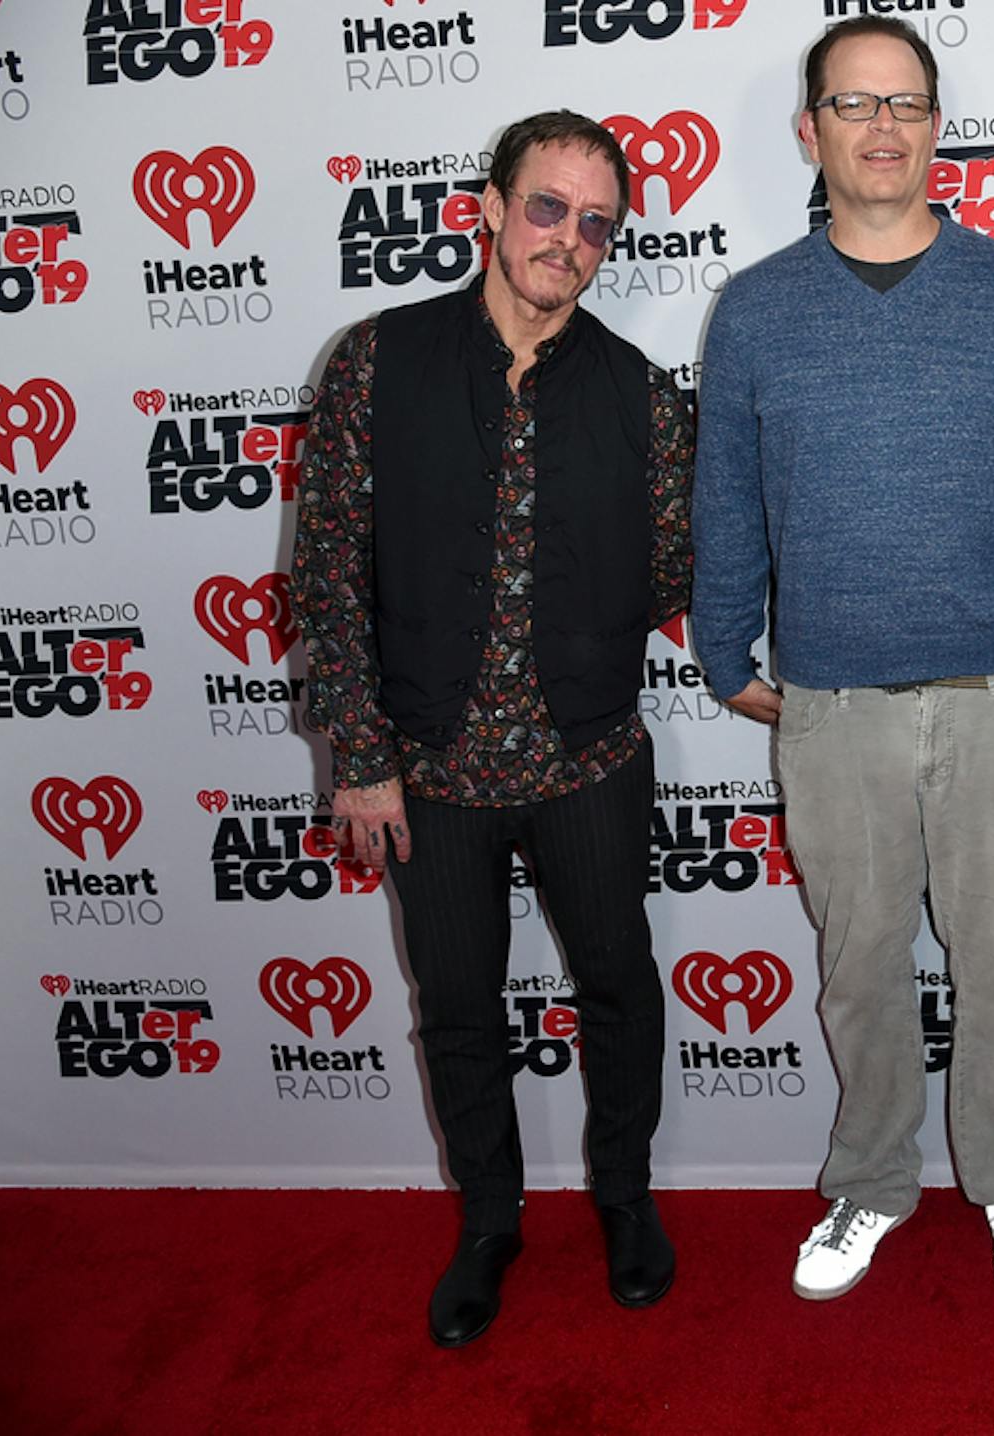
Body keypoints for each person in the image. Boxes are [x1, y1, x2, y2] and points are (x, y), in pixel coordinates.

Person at [691, 16, 994, 1307]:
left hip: (993, 697)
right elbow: (727, 500)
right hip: (832, 706)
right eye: (854, 103)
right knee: (858, 972)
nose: (882, 126)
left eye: (906, 104)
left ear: (937, 128)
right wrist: (721, 646)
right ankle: (870, 1182)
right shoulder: (756, 309)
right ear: (809, 131)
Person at [291, 110, 691, 1348]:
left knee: (620, 985)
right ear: (490, 209)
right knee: (459, 1003)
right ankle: (489, 1220)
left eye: (596, 223)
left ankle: (624, 1196)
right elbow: (327, 574)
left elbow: (675, 568)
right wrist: (361, 759)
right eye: (547, 207)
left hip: (590, 758)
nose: (567, 238)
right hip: (428, 768)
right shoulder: (377, 360)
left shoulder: (640, 392)